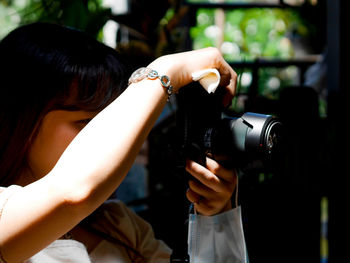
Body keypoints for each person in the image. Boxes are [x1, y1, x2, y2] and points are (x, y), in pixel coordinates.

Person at [0, 22, 243, 263]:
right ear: (19, 117)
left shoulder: (120, 227)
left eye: (109, 120)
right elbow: (73, 194)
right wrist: (163, 71)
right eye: (87, 121)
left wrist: (215, 217)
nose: (110, 138)